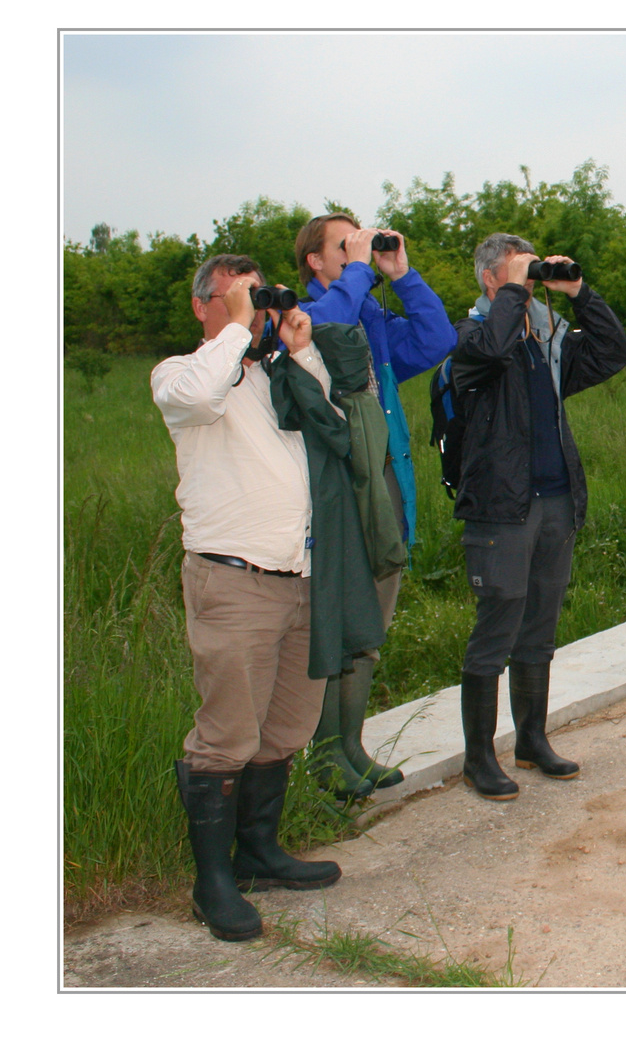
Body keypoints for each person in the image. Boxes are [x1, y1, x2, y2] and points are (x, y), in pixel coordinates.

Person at [151, 255, 343, 941]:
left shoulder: (271, 375)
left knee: (284, 727)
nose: (253, 308)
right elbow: (199, 399)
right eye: (238, 296)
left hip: (300, 577)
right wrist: (235, 326)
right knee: (226, 735)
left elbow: (329, 421)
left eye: (255, 296)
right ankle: (212, 884)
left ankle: (259, 854)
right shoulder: (183, 372)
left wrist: (299, 347)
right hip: (232, 580)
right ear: (205, 304)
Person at [448, 233, 626, 799]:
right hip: (502, 509)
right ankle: (479, 758)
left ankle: (531, 740)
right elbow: (493, 348)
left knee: (539, 630)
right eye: (517, 272)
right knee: (495, 630)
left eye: (532, 272)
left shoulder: (547, 340)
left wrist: (577, 291)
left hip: (555, 502)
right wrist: (513, 292)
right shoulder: (471, 337)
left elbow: (612, 351)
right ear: (490, 281)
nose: (529, 281)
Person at [294, 213, 457, 795]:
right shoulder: (307, 312)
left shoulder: (366, 311)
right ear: (315, 260)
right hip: (339, 492)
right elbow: (315, 333)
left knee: (372, 623)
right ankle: (322, 758)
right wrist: (360, 273)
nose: (359, 249)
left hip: (386, 482)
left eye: (361, 239)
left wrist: (402, 275)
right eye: (345, 244)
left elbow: (438, 341)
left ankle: (351, 747)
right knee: (341, 620)